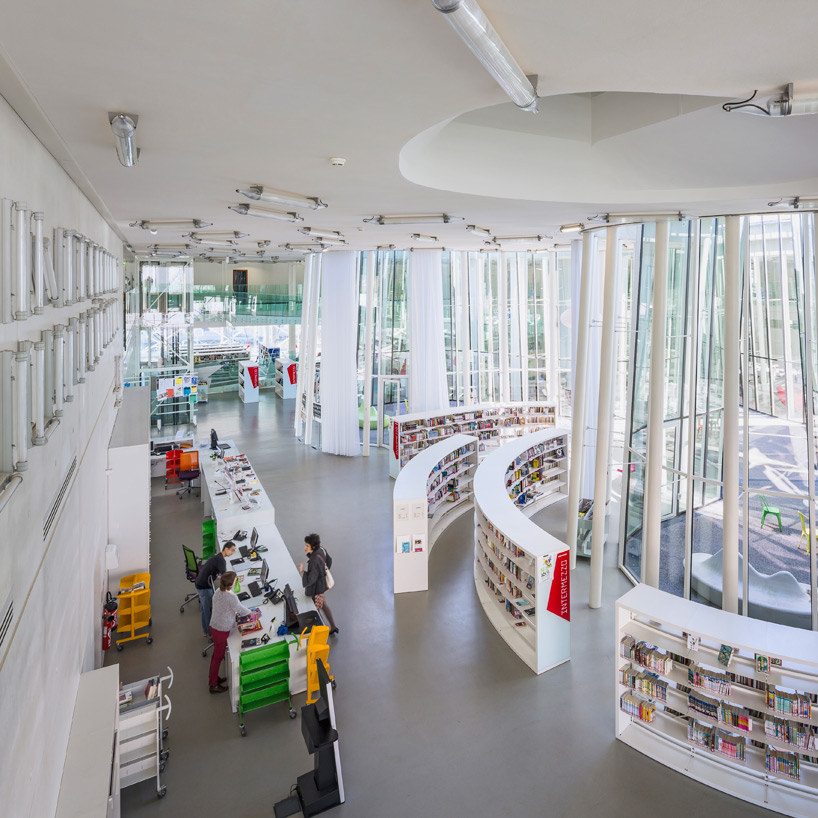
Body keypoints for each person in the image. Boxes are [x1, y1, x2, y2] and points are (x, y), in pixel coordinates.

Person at [208, 571, 251, 693]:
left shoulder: (218, 592)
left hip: (214, 626)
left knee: (215, 656)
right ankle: (213, 685)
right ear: (231, 584)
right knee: (218, 657)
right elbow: (241, 609)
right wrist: (252, 613)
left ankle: (214, 678)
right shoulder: (231, 597)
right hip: (221, 630)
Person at [195, 541, 237, 640]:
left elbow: (213, 570)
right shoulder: (221, 561)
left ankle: (206, 631)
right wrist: (233, 580)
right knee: (208, 610)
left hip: (200, 583)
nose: (232, 553)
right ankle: (209, 633)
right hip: (204, 587)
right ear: (226, 549)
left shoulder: (217, 556)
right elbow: (226, 577)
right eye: (232, 550)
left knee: (204, 609)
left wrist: (217, 577)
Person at [298, 533, 338, 635]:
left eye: (307, 546)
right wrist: (323, 573)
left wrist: (303, 572)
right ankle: (333, 627)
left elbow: (311, 580)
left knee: (316, 610)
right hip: (321, 585)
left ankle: (321, 632)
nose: (305, 548)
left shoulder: (314, 561)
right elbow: (329, 560)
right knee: (322, 605)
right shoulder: (321, 549)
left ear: (313, 546)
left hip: (317, 589)